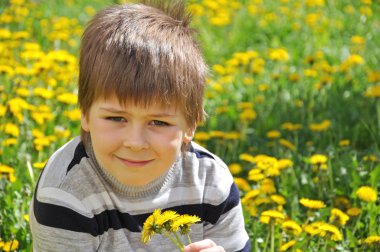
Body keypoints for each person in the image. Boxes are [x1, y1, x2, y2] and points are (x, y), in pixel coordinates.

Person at [29, 1, 251, 251]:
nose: (135, 142)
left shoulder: (211, 182)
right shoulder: (66, 194)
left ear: (190, 125)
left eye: (159, 122)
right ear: (85, 114)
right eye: (116, 118)